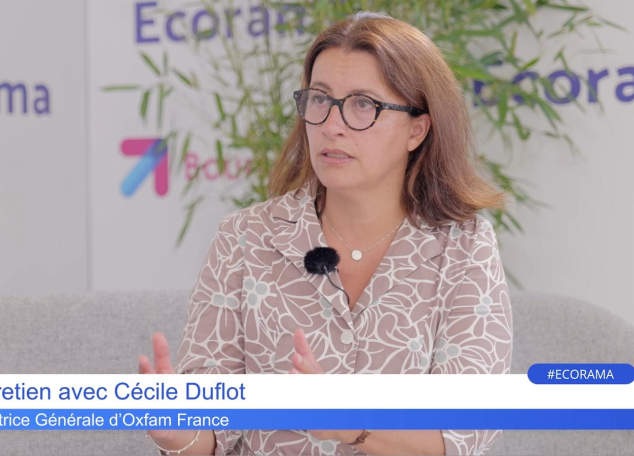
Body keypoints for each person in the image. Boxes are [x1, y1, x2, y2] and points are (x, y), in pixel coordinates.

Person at [139, 10, 513, 456]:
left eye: (363, 104)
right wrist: (178, 434)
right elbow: (212, 432)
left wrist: (351, 425)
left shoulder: (464, 245)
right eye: (320, 99)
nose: (332, 125)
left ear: (417, 129)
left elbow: (465, 433)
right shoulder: (245, 237)